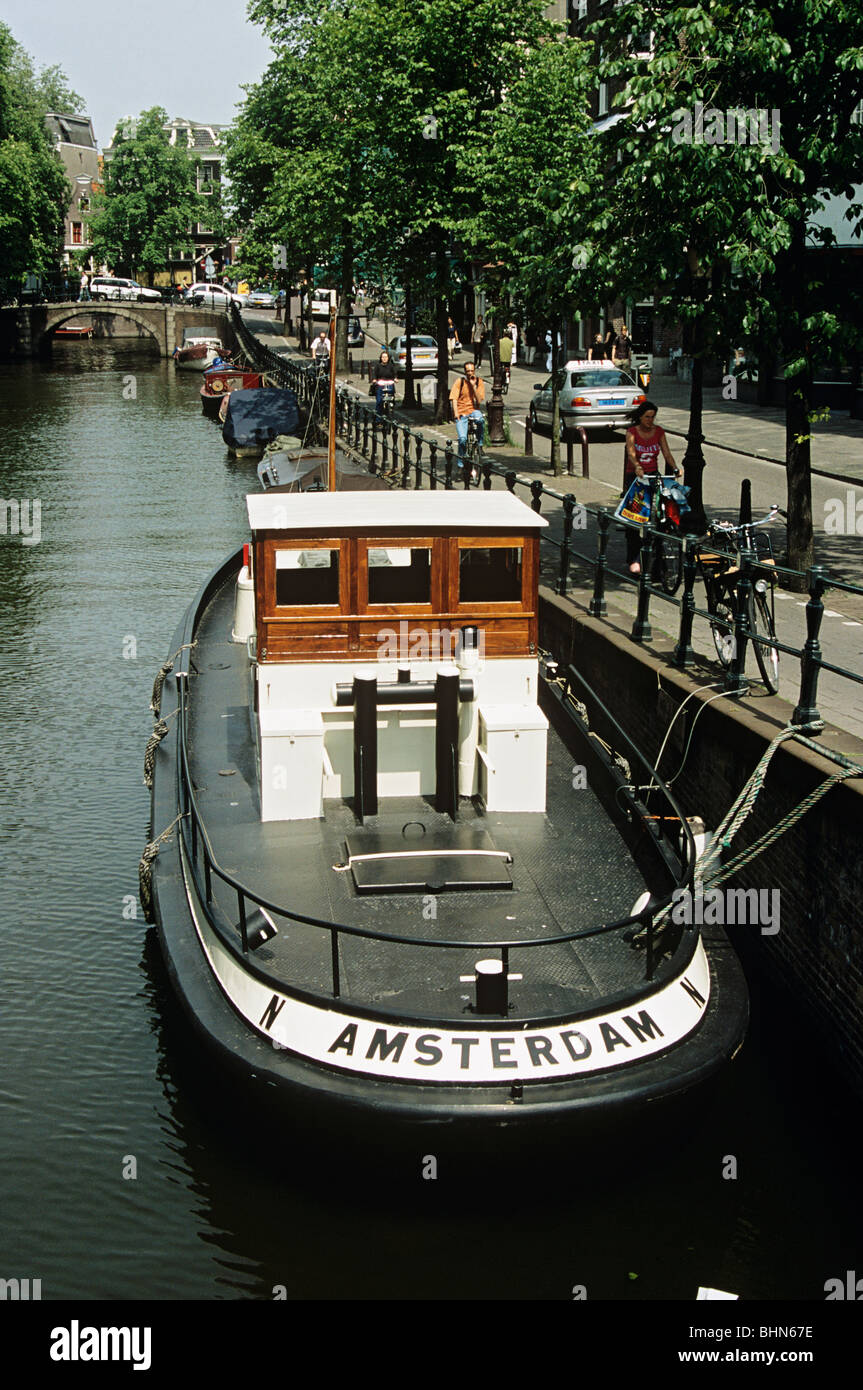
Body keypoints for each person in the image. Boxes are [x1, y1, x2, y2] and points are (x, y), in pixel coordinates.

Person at [622, 401, 682, 573]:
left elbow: (667, 453)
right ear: (640, 417)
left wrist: (675, 468)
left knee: (659, 514)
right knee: (635, 516)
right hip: (637, 477)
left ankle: (658, 556)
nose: (650, 420)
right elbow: (631, 453)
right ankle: (633, 558)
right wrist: (637, 465)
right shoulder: (632, 432)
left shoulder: (659, 432)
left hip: (653, 476)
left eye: (652, 417)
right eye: (647, 417)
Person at [449, 361, 486, 466]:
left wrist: (473, 386)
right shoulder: (459, 382)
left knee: (480, 420)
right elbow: (454, 399)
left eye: (472, 371)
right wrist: (456, 413)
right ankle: (460, 464)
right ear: (465, 372)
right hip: (461, 413)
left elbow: (479, 401)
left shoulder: (479, 382)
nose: (470, 373)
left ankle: (480, 444)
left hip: (473, 410)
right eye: (468, 371)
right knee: (462, 439)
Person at [372, 349, 397, 414]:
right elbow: (374, 374)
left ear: (388, 358)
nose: (384, 358)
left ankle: (391, 407)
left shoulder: (391, 365)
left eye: (386, 357)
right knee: (379, 401)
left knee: (391, 396)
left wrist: (395, 378)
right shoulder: (378, 366)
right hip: (380, 384)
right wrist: (374, 379)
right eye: (383, 357)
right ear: (381, 358)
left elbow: (394, 373)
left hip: (389, 383)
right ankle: (378, 419)